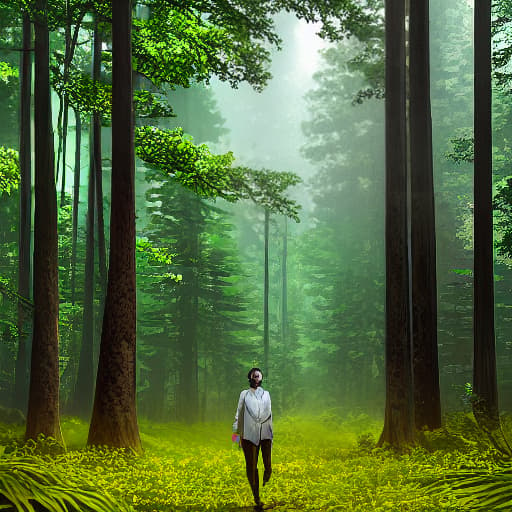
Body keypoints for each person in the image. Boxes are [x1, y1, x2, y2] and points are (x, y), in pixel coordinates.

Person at [232, 367, 273, 510]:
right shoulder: (244, 394)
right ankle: (256, 497)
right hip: (248, 435)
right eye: (253, 374)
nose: (256, 376)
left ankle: (267, 475)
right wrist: (235, 438)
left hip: (265, 434)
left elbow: (270, 413)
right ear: (249, 377)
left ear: (261, 377)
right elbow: (239, 413)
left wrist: (271, 434)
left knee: (268, 464)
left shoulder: (266, 394)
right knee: (251, 466)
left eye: (259, 374)